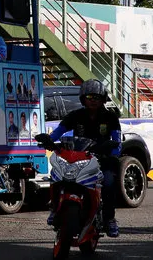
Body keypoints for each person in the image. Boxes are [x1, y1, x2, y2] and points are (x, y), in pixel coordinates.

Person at [47, 79, 121, 237]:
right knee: (57, 177)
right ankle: (54, 209)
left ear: (103, 99)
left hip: (102, 160)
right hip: (79, 158)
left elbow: (117, 141)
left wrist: (114, 154)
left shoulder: (111, 118)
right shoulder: (75, 115)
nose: (93, 100)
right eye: (89, 97)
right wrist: (48, 140)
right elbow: (58, 131)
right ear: (83, 98)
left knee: (108, 182)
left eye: (97, 97)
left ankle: (110, 219)